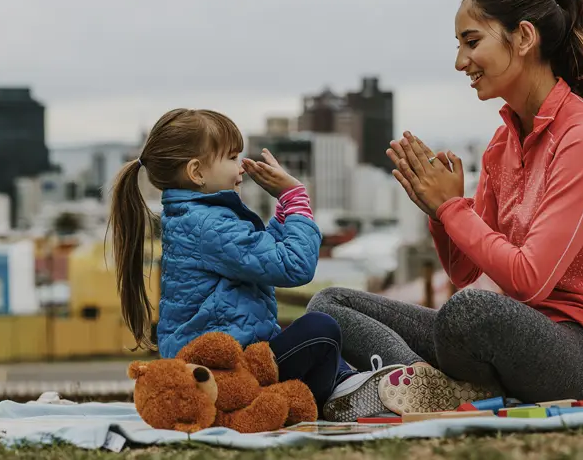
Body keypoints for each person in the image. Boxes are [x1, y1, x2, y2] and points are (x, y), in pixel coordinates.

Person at [308, 0, 583, 415]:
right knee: (329, 304)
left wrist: (452, 207)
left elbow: (530, 280)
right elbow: (467, 272)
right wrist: (436, 209)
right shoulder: (502, 145)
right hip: (505, 333)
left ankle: (433, 386)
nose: (460, 62)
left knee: (469, 314)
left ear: (523, 37)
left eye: (471, 42)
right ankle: (430, 386)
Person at [109, 108, 403, 421]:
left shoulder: (195, 219)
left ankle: (345, 384)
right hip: (227, 380)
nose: (242, 168)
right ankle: (341, 391)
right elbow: (294, 266)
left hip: (231, 368)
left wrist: (283, 212)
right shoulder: (211, 226)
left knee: (308, 334)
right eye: (232, 157)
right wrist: (295, 198)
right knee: (321, 328)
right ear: (197, 172)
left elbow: (260, 255)